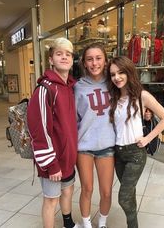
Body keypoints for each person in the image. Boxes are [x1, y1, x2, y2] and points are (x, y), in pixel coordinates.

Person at [106, 56, 164, 228]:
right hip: (118, 153)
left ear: (128, 72)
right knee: (130, 193)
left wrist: (148, 137)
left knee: (123, 196)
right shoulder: (113, 98)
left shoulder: (142, 95)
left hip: (135, 153)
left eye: (120, 72)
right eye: (113, 74)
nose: (117, 77)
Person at [27, 37, 79, 228]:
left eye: (68, 54)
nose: (64, 57)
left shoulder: (69, 87)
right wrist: (51, 164)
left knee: (68, 191)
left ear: (72, 59)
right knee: (51, 200)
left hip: (68, 156)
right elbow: (38, 130)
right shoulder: (45, 89)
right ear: (51, 59)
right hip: (53, 160)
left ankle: (69, 224)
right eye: (59, 54)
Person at [74, 42, 116, 228]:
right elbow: (72, 119)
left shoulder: (114, 83)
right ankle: (86, 224)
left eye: (98, 58)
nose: (94, 63)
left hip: (107, 146)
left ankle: (102, 223)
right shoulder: (77, 87)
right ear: (84, 63)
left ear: (105, 61)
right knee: (87, 188)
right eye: (89, 59)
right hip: (84, 147)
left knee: (106, 192)